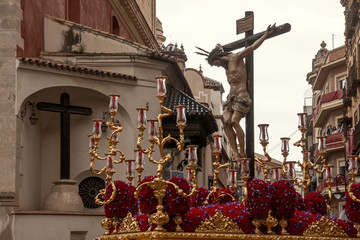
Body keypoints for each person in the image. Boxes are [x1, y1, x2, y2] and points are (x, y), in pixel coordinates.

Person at [207, 24, 276, 161]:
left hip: (242, 95)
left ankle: (243, 152)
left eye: (216, 63)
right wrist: (220, 48)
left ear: (219, 58)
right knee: (226, 122)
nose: (217, 66)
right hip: (231, 98)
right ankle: (236, 154)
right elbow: (221, 50)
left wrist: (266, 35)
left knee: (234, 121)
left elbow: (251, 47)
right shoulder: (226, 66)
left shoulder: (236, 58)